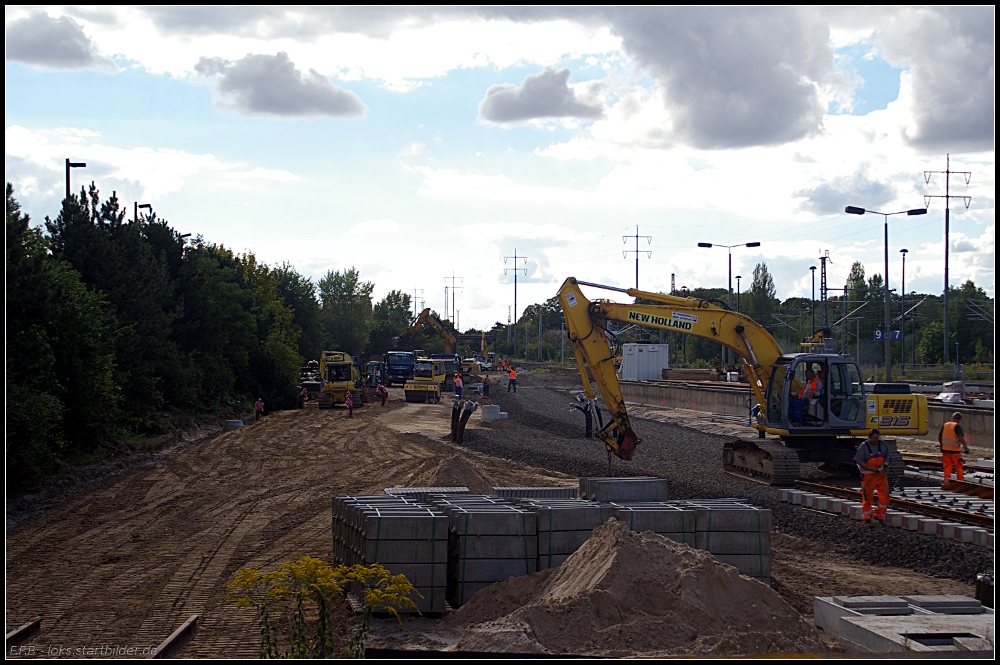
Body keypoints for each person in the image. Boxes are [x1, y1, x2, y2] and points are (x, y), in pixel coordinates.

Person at [854, 428, 891, 525]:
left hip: (881, 476)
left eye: (877, 438)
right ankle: (866, 517)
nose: (876, 440)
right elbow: (859, 461)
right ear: (869, 437)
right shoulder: (864, 447)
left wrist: (886, 463)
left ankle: (879, 515)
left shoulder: (882, 444)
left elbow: (886, 455)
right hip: (868, 477)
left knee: (885, 496)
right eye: (874, 438)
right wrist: (870, 468)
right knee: (867, 497)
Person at [938, 412, 970, 484]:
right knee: (958, 467)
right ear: (959, 419)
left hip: (945, 451)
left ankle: (946, 482)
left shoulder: (945, 425)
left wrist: (941, 445)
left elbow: (939, 436)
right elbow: (960, 437)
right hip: (955, 452)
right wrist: (965, 447)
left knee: (947, 467)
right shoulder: (957, 426)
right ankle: (960, 482)